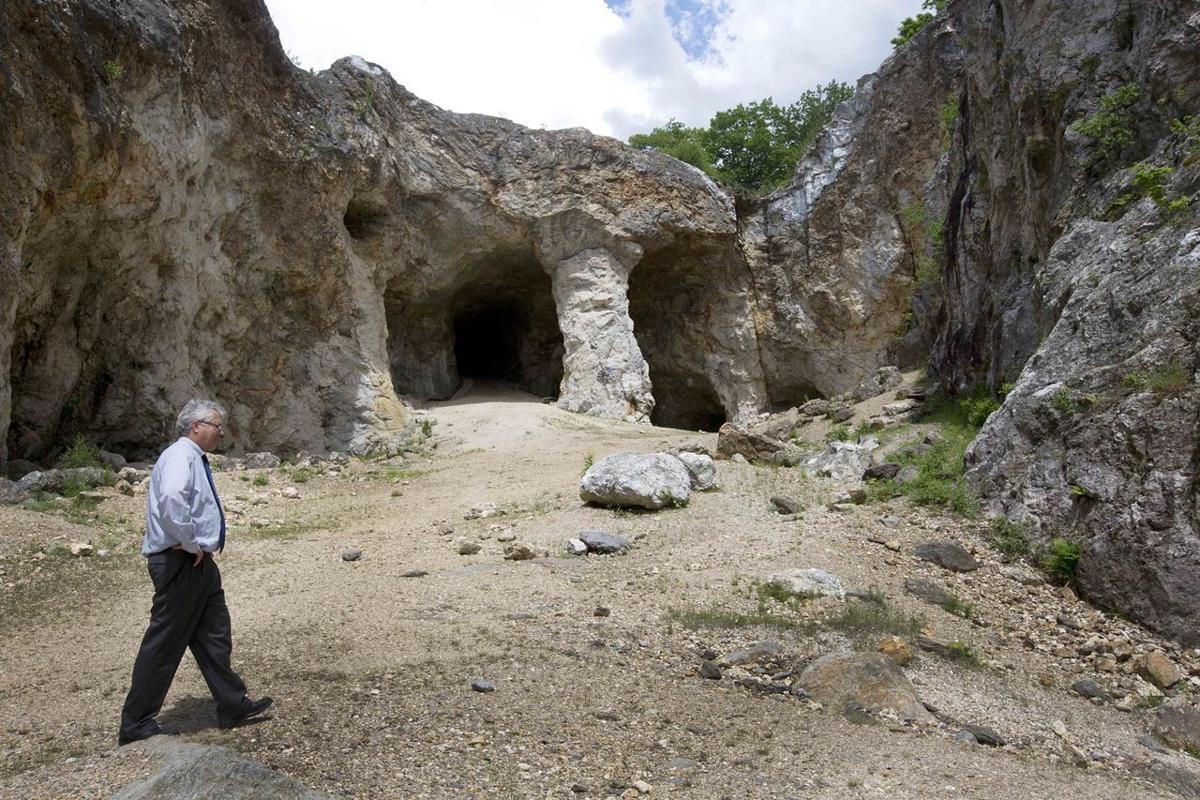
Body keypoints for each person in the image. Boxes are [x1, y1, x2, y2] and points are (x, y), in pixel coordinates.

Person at [118, 399, 272, 745]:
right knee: (164, 643)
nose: (221, 432)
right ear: (195, 426)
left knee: (215, 632)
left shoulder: (192, 458)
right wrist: (191, 544)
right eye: (217, 425)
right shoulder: (180, 456)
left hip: (198, 562)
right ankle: (136, 723)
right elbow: (173, 499)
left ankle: (232, 703)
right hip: (182, 561)